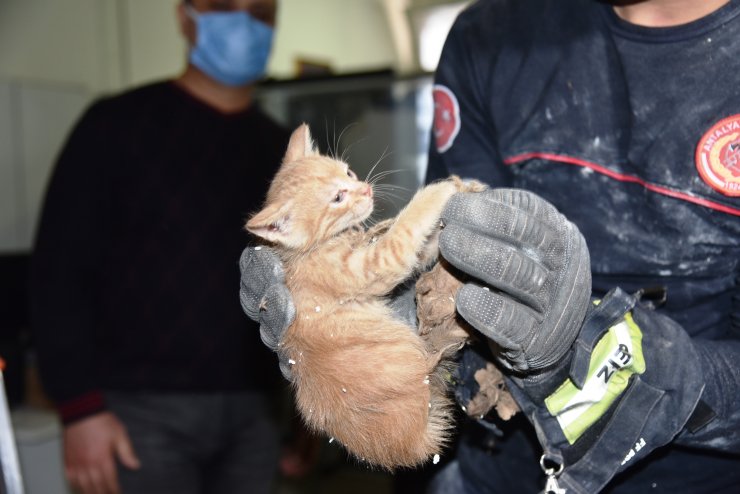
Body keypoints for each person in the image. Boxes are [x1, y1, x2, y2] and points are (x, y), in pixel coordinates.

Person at [239, 0, 740, 492]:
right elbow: (453, 234)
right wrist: (387, 319)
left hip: (684, 473)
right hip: (488, 464)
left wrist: (651, 370)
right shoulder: (491, 33)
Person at [30, 1, 295, 493]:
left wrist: (302, 417)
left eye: (260, 12)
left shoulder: (283, 151)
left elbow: (301, 287)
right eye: (224, 6)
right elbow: (57, 273)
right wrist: (79, 409)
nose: (243, 22)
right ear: (185, 16)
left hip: (255, 415)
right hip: (135, 413)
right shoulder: (114, 126)